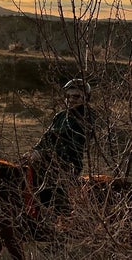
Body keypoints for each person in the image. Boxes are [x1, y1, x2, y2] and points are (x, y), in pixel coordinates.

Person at [22, 78, 96, 217]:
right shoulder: (60, 116)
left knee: (49, 195)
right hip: (47, 161)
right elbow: (45, 138)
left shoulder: (85, 119)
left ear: (86, 98)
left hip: (67, 165)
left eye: (75, 96)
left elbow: (74, 147)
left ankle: (53, 222)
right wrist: (34, 151)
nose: (70, 100)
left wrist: (43, 154)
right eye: (68, 96)